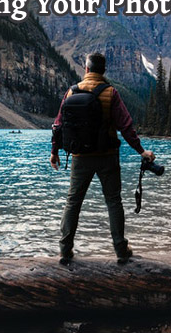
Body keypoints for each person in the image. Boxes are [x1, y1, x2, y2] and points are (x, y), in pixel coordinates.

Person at [50, 53, 155, 265]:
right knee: (113, 201)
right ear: (103, 71)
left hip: (79, 158)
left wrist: (54, 153)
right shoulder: (110, 93)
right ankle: (120, 251)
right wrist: (141, 151)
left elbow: (58, 125)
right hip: (107, 157)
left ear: (86, 70)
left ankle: (65, 250)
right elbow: (126, 126)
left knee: (73, 202)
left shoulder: (71, 92)